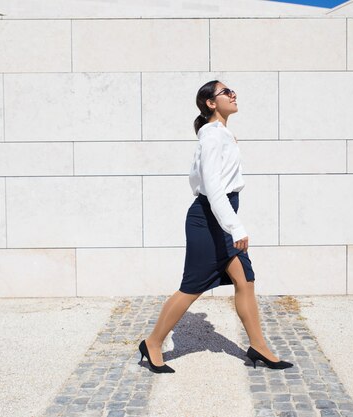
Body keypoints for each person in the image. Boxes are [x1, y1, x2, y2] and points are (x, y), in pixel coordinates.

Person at [138, 80, 294, 373]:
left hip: (220, 216)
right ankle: (153, 343)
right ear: (211, 103)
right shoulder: (211, 136)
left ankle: (259, 346)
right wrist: (234, 227)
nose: (234, 94)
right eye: (226, 92)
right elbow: (211, 186)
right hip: (209, 220)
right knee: (192, 287)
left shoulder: (222, 133)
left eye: (233, 90)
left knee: (245, 280)